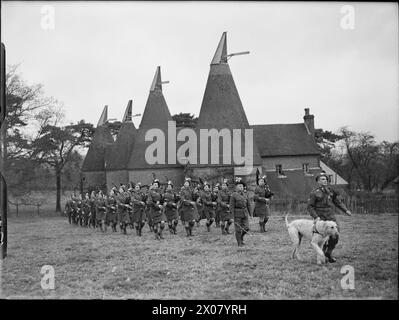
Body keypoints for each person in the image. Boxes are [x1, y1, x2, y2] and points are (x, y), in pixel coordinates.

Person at [307, 173, 352, 263]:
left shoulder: (330, 191)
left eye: (326, 179)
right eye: (323, 179)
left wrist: (345, 210)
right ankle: (322, 254)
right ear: (318, 181)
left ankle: (329, 252)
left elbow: (337, 202)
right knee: (322, 236)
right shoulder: (314, 193)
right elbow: (310, 207)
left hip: (330, 216)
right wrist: (316, 217)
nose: (325, 180)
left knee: (335, 234)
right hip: (321, 218)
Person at [230, 177, 251, 247]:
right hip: (237, 214)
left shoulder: (245, 194)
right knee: (238, 230)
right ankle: (239, 242)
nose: (241, 187)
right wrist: (232, 217)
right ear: (236, 187)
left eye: (242, 186)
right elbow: (231, 207)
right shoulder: (233, 195)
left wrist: (250, 213)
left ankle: (241, 237)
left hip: (245, 213)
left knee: (247, 228)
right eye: (239, 186)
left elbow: (248, 204)